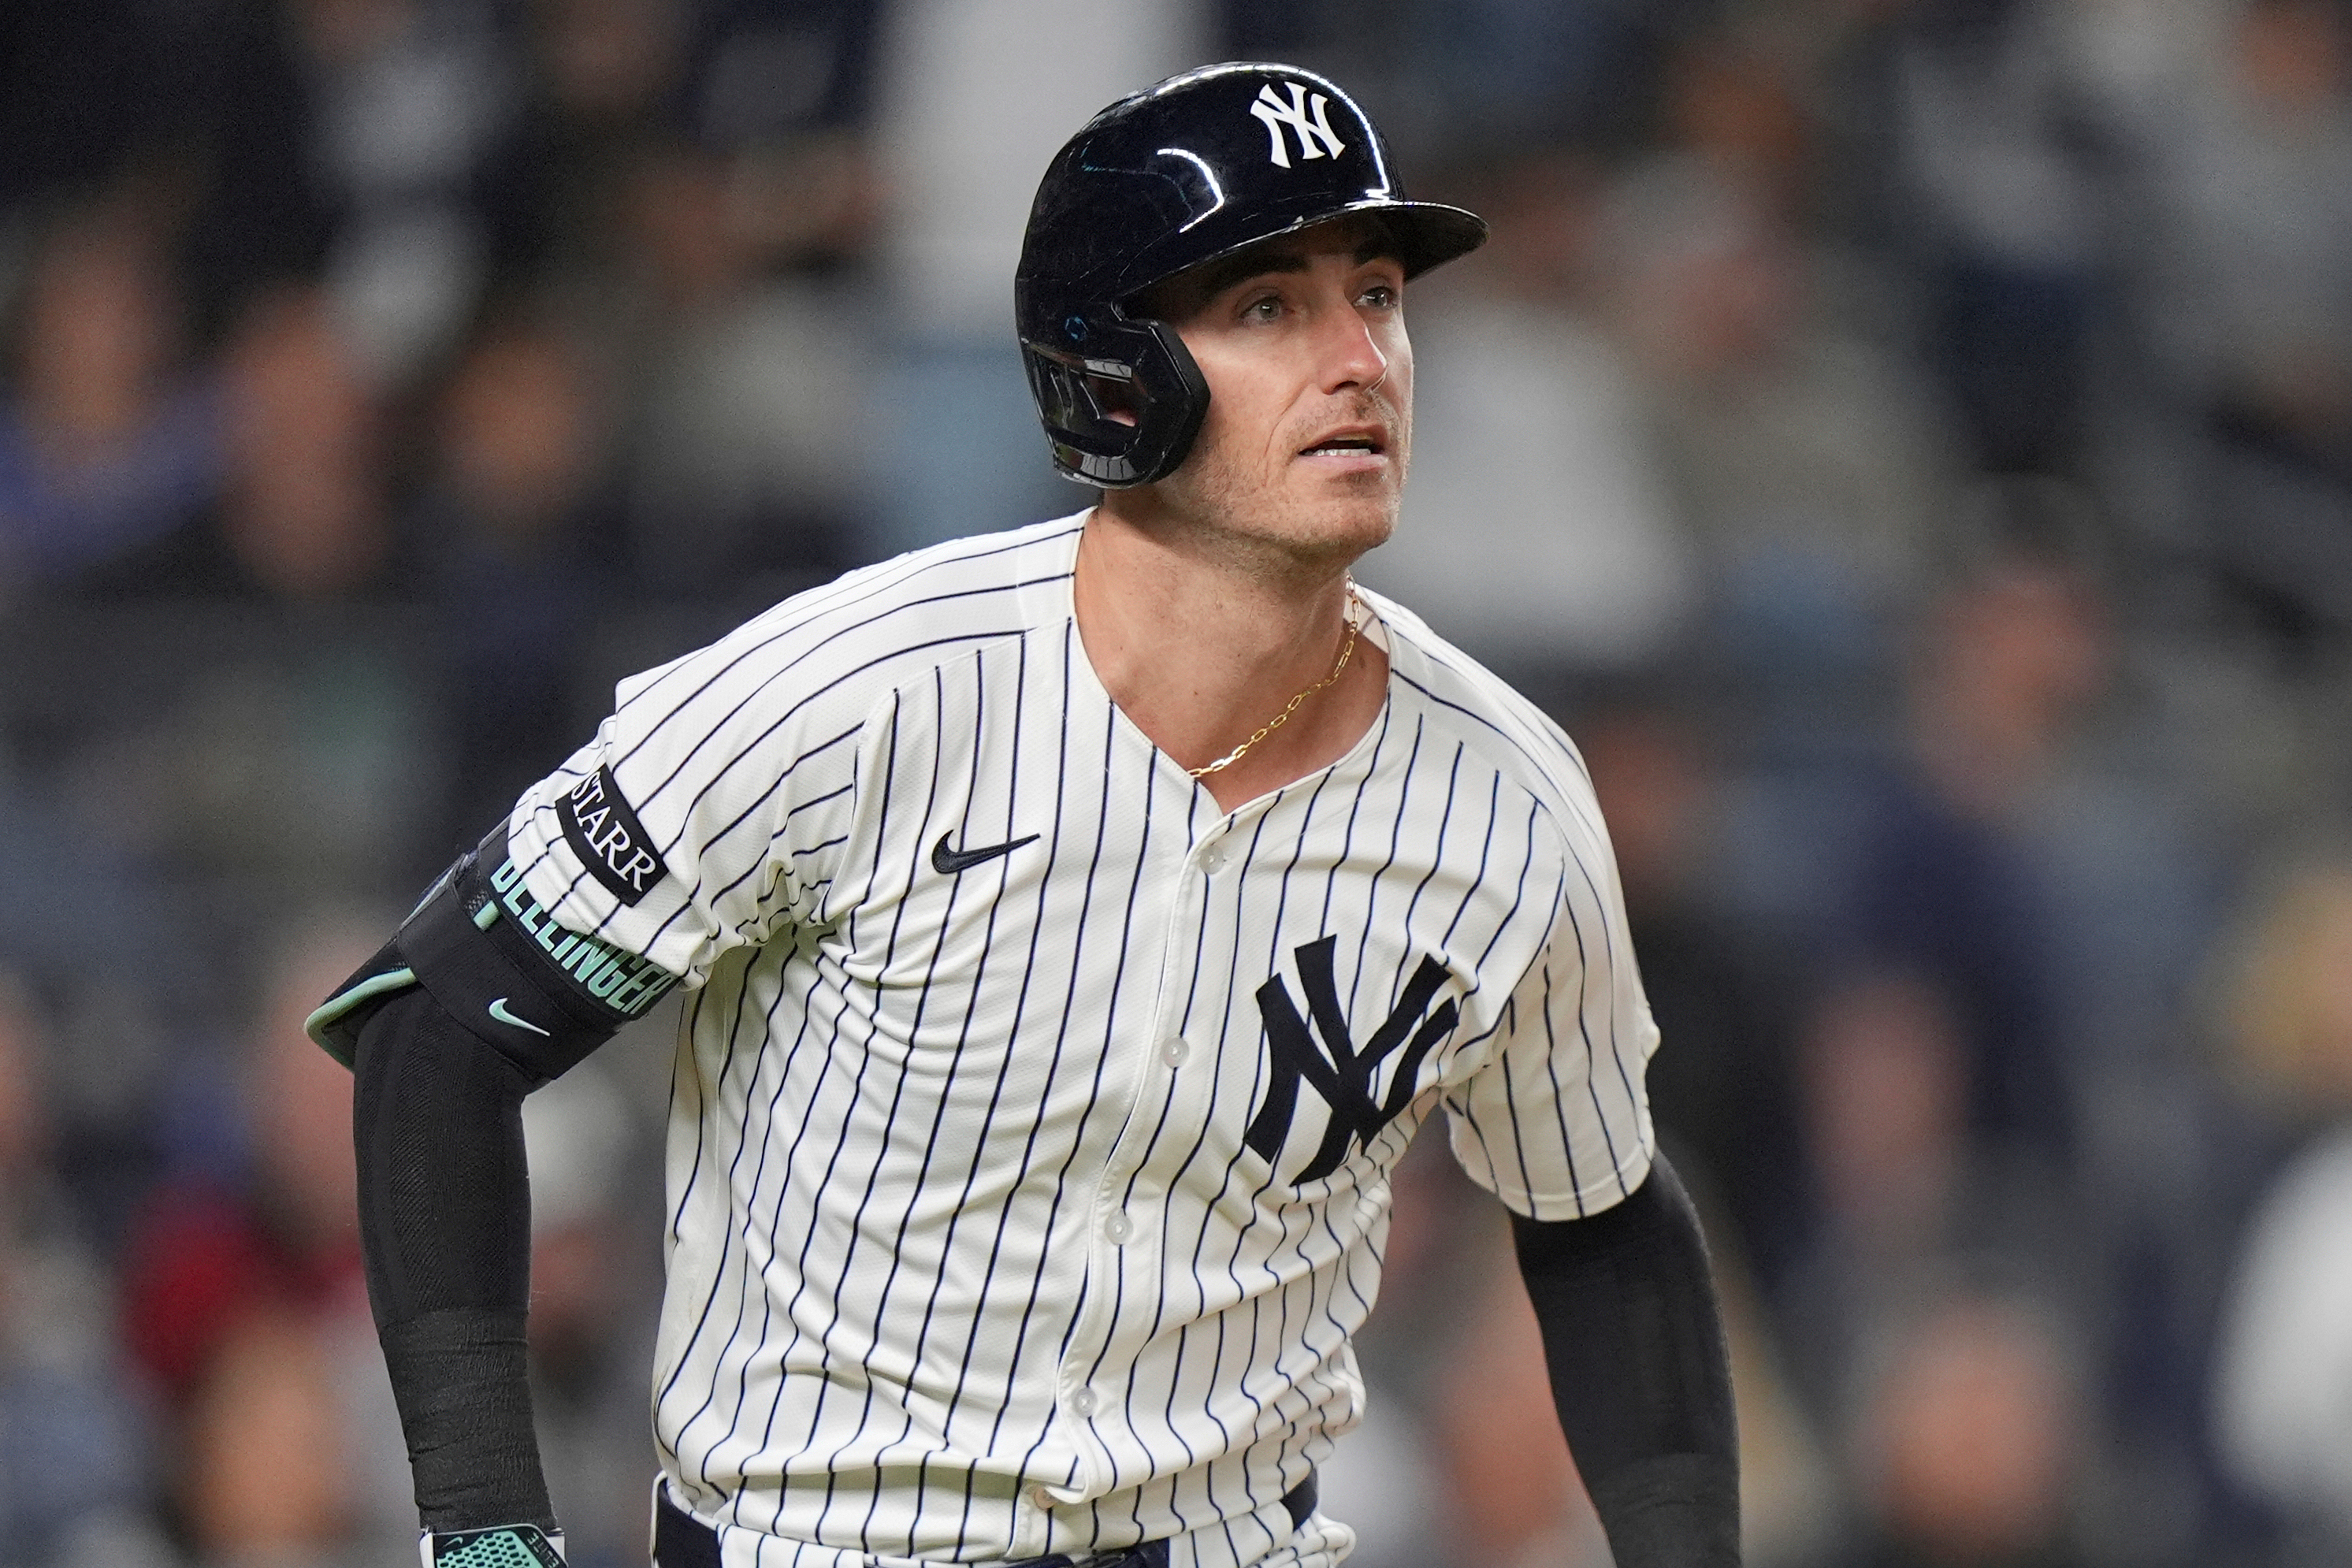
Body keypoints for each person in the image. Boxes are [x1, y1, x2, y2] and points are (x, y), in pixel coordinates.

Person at [309, 61, 1739, 1568]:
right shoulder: (856, 695)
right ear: (1113, 374)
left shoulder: (1507, 800)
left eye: (1375, 295)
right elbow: (437, 1027)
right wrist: (482, 1532)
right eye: (1268, 307)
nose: (1360, 358)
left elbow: (1602, 1217)